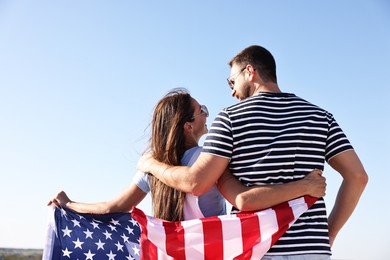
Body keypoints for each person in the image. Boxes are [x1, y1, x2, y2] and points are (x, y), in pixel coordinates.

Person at [137, 46, 368, 259]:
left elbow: (197, 182)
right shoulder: (320, 117)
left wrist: (151, 164)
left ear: (250, 71)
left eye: (232, 82)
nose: (232, 92)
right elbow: (358, 177)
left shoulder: (229, 118)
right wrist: (330, 234)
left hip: (254, 248)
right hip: (312, 250)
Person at [49, 89, 326, 222]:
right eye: (201, 110)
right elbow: (243, 200)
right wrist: (304, 186)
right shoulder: (207, 160)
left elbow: (112, 207)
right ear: (188, 126)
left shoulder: (152, 164)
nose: (207, 113)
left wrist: (70, 203)